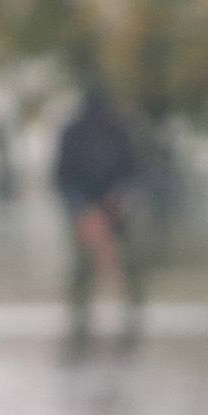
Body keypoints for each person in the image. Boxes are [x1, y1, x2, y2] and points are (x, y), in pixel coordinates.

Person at [51, 72, 146, 343]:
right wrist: (84, 211)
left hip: (118, 204)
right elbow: (62, 177)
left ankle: (134, 319)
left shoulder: (121, 130)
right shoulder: (72, 132)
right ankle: (78, 323)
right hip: (81, 205)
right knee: (81, 266)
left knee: (132, 263)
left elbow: (134, 170)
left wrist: (120, 197)